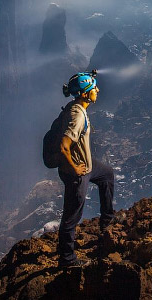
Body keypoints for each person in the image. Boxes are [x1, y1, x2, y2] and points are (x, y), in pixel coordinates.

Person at [56, 71, 116, 268]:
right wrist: (74, 169)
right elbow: (64, 146)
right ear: (84, 94)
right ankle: (67, 259)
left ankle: (107, 221)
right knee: (72, 215)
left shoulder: (78, 107)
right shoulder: (77, 116)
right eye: (93, 88)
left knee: (107, 174)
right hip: (77, 173)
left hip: (88, 166)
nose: (97, 90)